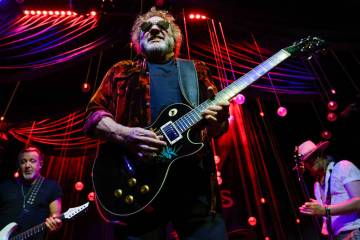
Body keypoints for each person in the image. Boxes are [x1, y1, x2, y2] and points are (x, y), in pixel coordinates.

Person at [84, 7, 229, 240]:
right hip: (139, 186)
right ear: (137, 41)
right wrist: (125, 134)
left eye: (162, 26)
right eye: (145, 27)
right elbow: (92, 116)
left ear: (175, 38)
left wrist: (218, 119)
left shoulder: (197, 70)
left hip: (194, 186)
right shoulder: (121, 71)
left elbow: (215, 129)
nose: (153, 29)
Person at [297, 140, 360, 239]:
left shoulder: (343, 167)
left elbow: (359, 202)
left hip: (355, 230)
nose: (313, 160)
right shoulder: (316, 186)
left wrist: (324, 210)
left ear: (321, 154)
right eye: (307, 161)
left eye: (315, 155)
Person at [0, 145, 63, 240]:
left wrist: (55, 224)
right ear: (18, 165)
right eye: (23, 162)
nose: (27, 166)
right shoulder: (5, 185)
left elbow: (55, 216)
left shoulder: (51, 186)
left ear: (40, 164)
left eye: (32, 161)